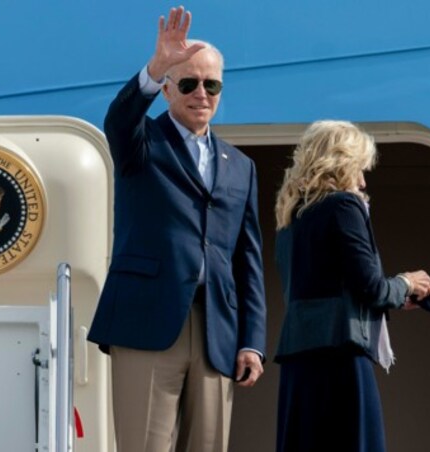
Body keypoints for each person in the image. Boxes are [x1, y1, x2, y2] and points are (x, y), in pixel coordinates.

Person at [87, 6, 266, 452]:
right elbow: (118, 120)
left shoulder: (241, 166)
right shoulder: (143, 142)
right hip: (148, 321)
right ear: (167, 90)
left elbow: (248, 260)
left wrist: (253, 341)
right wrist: (154, 67)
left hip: (216, 330)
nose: (201, 93)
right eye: (188, 82)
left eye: (212, 84)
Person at [272, 120, 430, 452]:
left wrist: (393, 295)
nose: (362, 181)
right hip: (340, 362)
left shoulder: (290, 217)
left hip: (299, 364)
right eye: (359, 169)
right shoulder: (343, 205)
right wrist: (406, 284)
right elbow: (372, 288)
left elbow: (323, 287)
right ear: (341, 164)